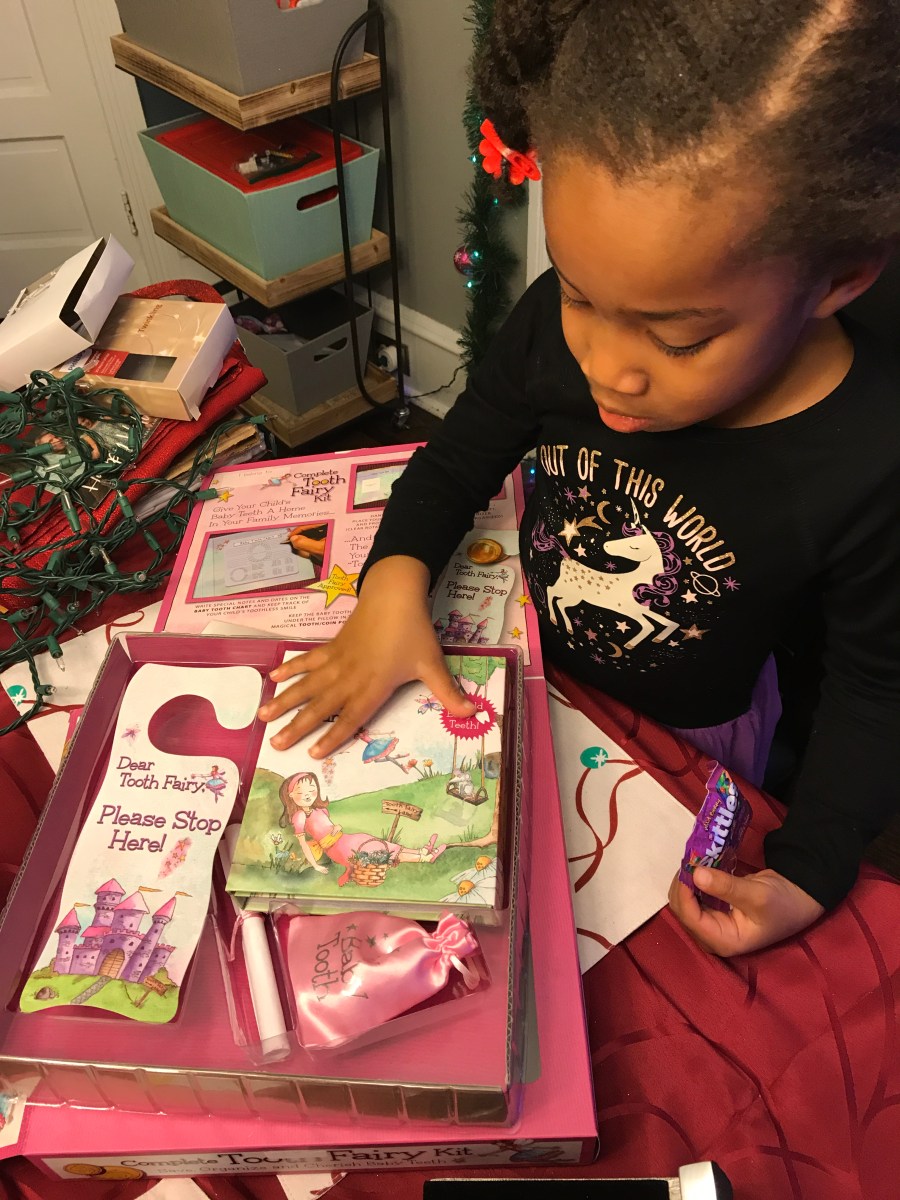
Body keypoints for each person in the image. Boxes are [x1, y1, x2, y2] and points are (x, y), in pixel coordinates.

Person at [261, 0, 900, 955]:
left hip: (692, 738)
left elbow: (875, 687)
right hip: (534, 671)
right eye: (576, 293)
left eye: (676, 339)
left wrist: (809, 870)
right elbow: (458, 457)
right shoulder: (552, 333)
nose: (605, 367)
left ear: (839, 279)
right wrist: (391, 585)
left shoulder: (871, 453)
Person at [278, 771, 446, 886]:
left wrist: (336, 827)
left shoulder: (319, 810)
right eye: (302, 791)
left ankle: (422, 852)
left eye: (312, 789)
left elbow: (326, 827)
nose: (308, 794)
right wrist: (315, 865)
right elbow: (304, 843)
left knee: (378, 843)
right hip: (337, 849)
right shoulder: (300, 816)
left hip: (345, 839)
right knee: (376, 851)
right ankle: (423, 858)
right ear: (291, 795)